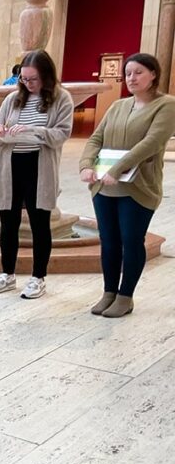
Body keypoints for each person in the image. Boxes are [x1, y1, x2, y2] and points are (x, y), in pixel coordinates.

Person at [78, 52, 175, 317]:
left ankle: (125, 296)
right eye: (128, 73)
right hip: (104, 185)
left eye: (139, 72)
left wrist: (117, 169)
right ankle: (109, 292)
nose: (131, 78)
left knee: (131, 240)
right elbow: (96, 138)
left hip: (137, 186)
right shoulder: (118, 105)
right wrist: (86, 165)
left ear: (153, 74)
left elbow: (152, 143)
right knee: (108, 241)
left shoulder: (167, 105)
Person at [0, 50, 73, 299]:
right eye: (24, 79)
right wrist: (0, 132)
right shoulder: (13, 99)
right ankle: (7, 274)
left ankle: (38, 277)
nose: (27, 84)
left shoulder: (61, 99)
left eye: (32, 79)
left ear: (46, 76)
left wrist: (34, 131)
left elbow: (61, 134)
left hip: (39, 166)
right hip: (10, 165)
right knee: (8, 222)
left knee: (39, 223)